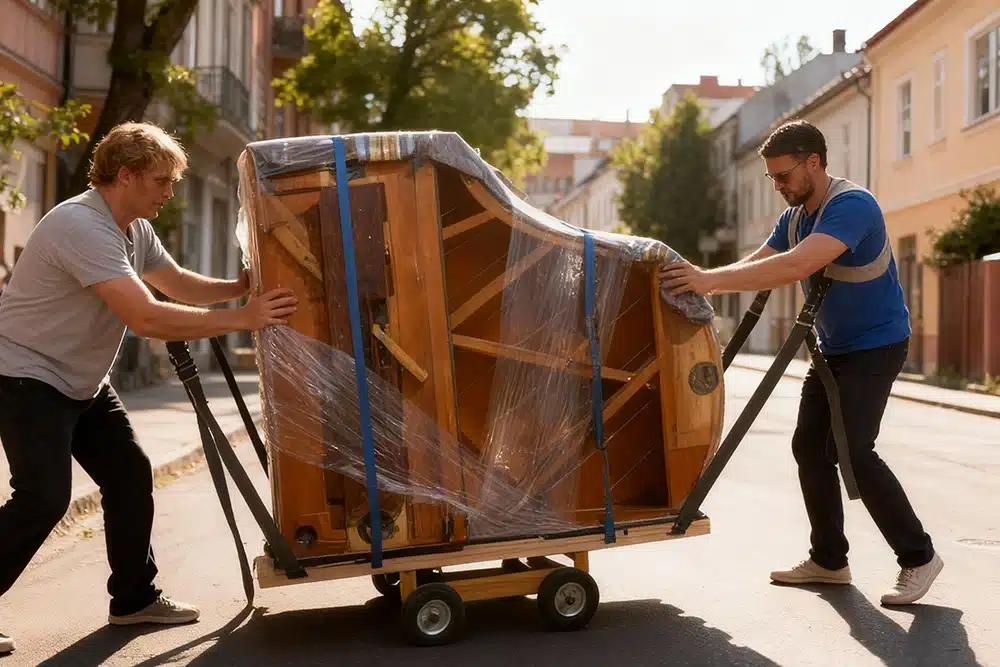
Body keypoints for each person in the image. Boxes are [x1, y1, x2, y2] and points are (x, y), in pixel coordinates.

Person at [0, 121, 297, 655]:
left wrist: (237, 290)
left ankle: (134, 599)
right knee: (44, 497)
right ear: (126, 174)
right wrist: (245, 318)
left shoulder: (133, 227)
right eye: (161, 180)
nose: (169, 191)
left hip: (81, 381)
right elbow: (146, 317)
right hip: (26, 376)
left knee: (130, 474)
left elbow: (174, 282)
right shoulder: (82, 227)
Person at [660, 119, 942, 607]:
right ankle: (830, 560)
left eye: (783, 176)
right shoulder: (794, 217)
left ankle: (918, 557)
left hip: (876, 344)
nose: (778, 187)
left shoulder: (852, 206)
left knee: (855, 450)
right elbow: (761, 262)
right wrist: (700, 283)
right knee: (809, 446)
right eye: (771, 179)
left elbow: (795, 265)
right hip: (833, 348)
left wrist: (707, 280)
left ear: (814, 162)